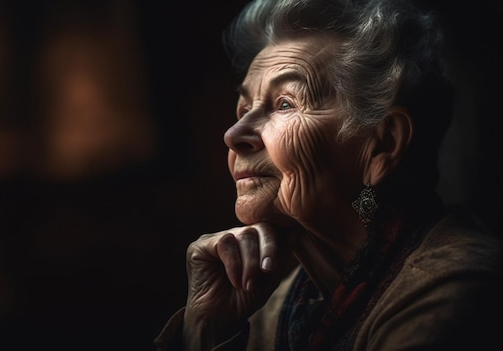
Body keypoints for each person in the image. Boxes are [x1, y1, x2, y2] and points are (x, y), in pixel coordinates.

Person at [153, 0, 503, 350]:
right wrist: (204, 329)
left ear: (383, 145)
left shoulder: (451, 287)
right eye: (244, 109)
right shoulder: (279, 306)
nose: (234, 134)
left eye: (285, 104)